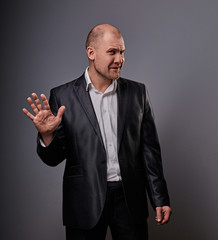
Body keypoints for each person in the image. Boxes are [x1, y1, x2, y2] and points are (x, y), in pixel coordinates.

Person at [23, 24, 172, 240]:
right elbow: (53, 158)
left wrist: (160, 198)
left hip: (129, 200)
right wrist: (47, 136)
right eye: (112, 52)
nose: (119, 59)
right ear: (91, 53)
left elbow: (150, 152)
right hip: (84, 201)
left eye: (122, 52)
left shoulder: (138, 93)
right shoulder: (62, 96)